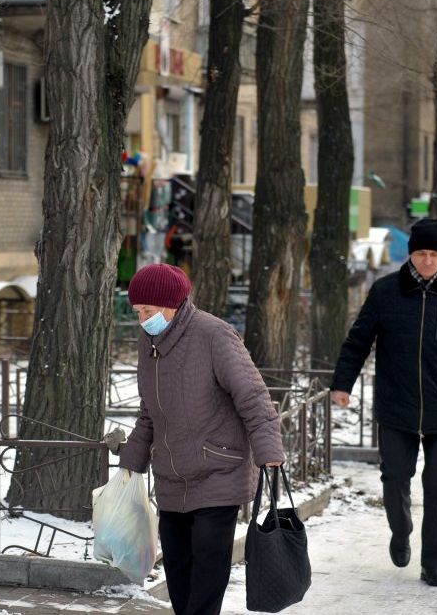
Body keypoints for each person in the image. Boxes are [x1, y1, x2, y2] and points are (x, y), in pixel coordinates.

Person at [330, 218, 437, 589]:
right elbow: (358, 340)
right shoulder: (385, 291)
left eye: (435, 254)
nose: (427, 261)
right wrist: (343, 383)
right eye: (421, 253)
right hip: (396, 405)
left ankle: (433, 563)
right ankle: (401, 529)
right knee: (394, 479)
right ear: (410, 254)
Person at [117, 263, 285, 615]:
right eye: (138, 312)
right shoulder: (149, 342)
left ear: (171, 305)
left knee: (208, 568)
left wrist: (268, 448)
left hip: (218, 469)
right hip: (171, 474)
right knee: (178, 570)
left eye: (148, 310)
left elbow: (253, 395)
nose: (143, 319)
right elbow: (150, 410)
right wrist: (131, 460)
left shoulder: (214, 335)